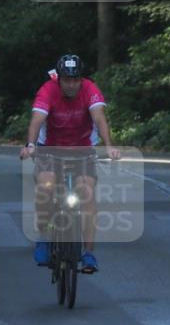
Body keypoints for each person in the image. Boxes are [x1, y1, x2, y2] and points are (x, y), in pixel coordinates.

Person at [19, 54, 120, 272]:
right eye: (67, 79)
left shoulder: (90, 89)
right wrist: (30, 145)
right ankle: (44, 237)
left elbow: (99, 118)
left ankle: (89, 254)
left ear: (81, 79)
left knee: (88, 196)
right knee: (46, 186)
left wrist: (109, 145)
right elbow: (37, 120)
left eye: (76, 80)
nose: (71, 85)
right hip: (50, 150)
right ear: (59, 79)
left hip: (82, 150)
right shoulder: (48, 90)